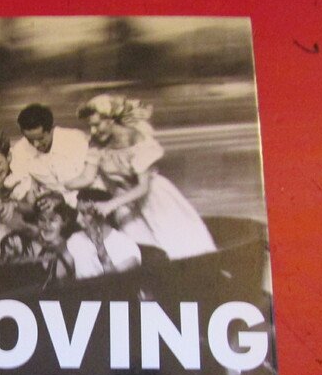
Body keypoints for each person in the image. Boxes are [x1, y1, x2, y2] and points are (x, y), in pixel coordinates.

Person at [66, 95, 217, 260]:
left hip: (153, 195)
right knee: (138, 243)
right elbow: (87, 177)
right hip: (124, 199)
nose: (93, 131)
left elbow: (143, 187)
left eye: (96, 125)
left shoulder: (136, 138)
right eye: (90, 126)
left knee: (177, 242)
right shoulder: (96, 143)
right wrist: (61, 185)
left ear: (111, 119)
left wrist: (111, 204)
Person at [12, 104, 89, 208]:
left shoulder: (75, 140)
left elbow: (93, 181)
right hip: (49, 205)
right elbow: (21, 184)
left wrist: (62, 198)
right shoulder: (19, 150)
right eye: (29, 140)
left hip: (85, 200)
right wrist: (28, 190)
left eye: (40, 139)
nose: (35, 145)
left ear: (52, 129)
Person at [66, 188, 141, 279]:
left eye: (83, 213)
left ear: (102, 214)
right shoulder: (76, 238)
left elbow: (117, 284)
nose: (78, 219)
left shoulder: (126, 245)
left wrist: (102, 252)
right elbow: (58, 273)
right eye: (78, 213)